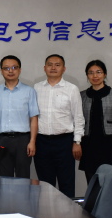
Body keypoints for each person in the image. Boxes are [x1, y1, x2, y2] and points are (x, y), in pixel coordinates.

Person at [33, 54, 84, 198]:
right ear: (44, 68)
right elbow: (32, 116)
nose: (53, 68)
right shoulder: (36, 88)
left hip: (64, 142)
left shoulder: (72, 89)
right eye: (50, 64)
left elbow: (78, 117)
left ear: (64, 68)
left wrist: (77, 142)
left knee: (66, 183)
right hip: (41, 142)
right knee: (45, 184)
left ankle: (67, 213)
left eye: (57, 65)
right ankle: (47, 212)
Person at [79, 59, 112, 182]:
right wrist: (77, 142)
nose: (95, 76)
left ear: (105, 74)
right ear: (87, 75)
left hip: (108, 143)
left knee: (108, 179)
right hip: (88, 143)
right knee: (91, 179)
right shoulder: (82, 95)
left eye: (98, 72)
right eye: (91, 73)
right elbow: (78, 120)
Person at [0, 55, 39, 178]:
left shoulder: (29, 91)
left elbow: (34, 118)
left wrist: (32, 141)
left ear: (20, 70)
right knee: (4, 178)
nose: (10, 71)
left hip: (22, 140)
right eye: (6, 68)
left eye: (14, 67)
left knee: (23, 177)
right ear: (1, 71)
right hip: (2, 139)